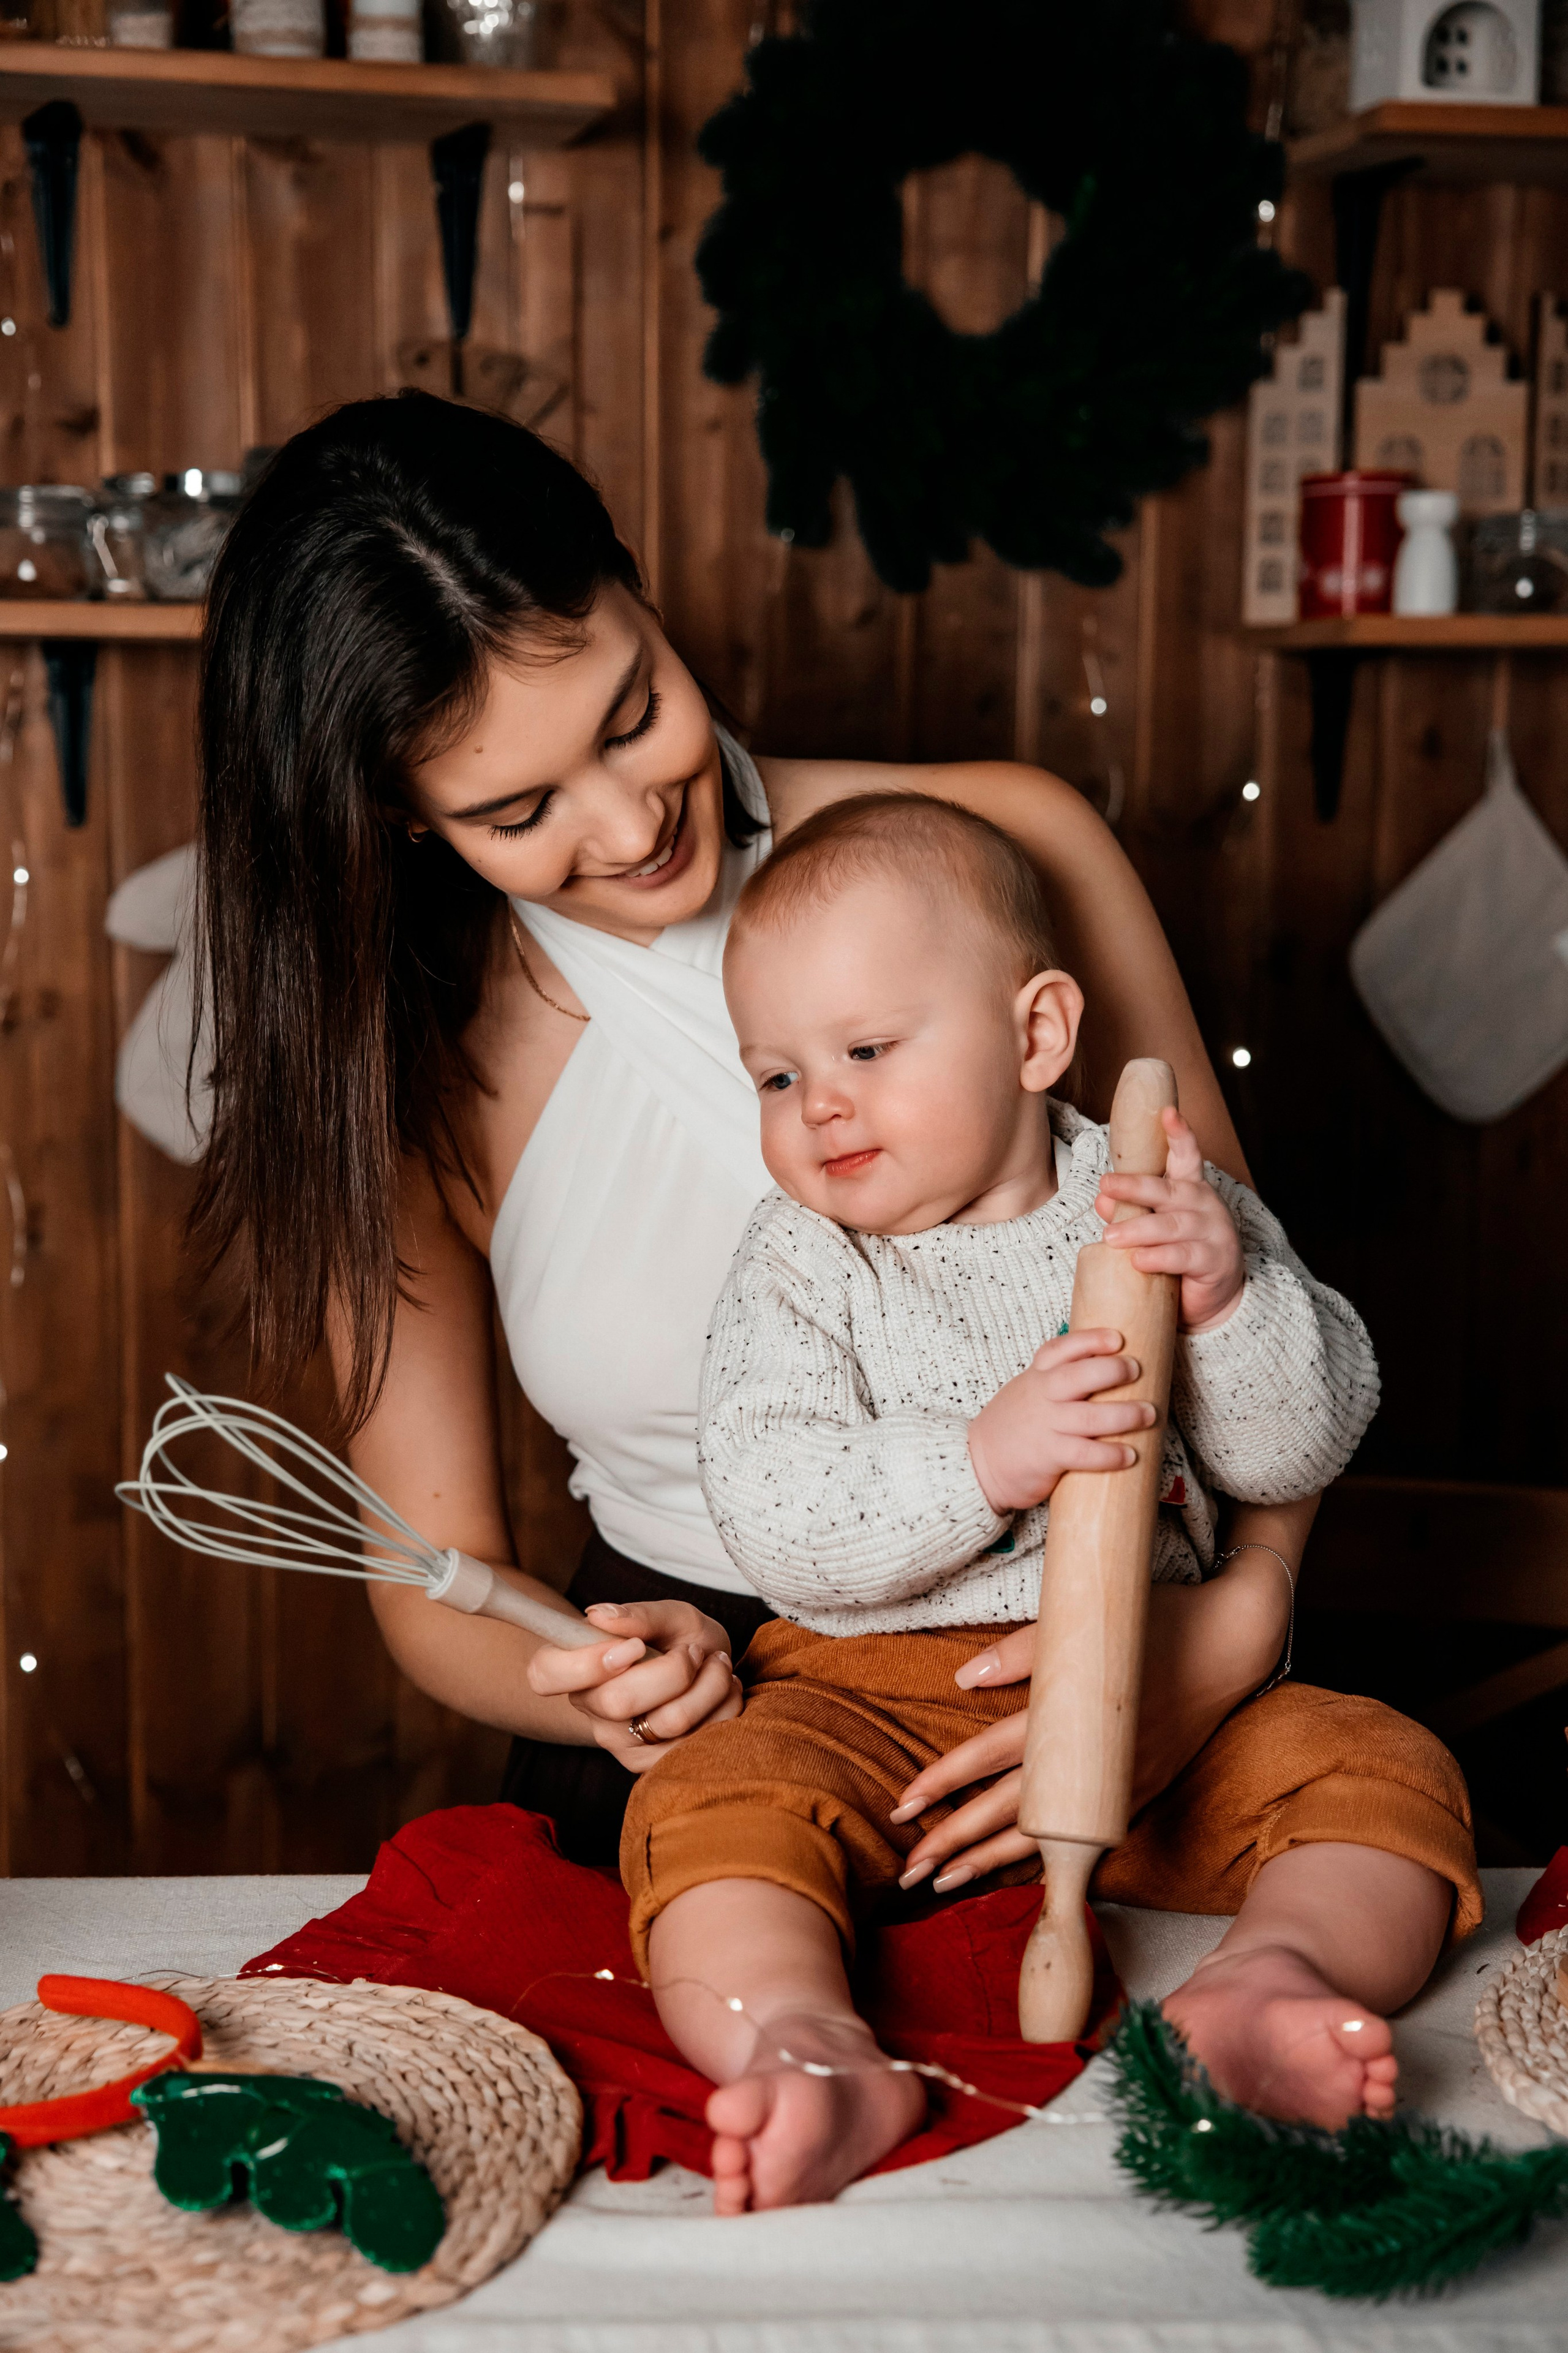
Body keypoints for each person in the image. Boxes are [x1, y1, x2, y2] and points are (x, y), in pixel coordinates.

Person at [195, 389, 1307, 1895]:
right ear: (398, 818)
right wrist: (585, 1682)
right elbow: (429, 1573)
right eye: (520, 807)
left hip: (1118, 1624)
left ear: (640, 590)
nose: (630, 821)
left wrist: (1223, 1633)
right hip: (709, 1729)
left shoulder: (1009, 845)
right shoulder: (403, 1073)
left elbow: (1252, 1309)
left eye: (632, 710)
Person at [626, 792, 1477, 2215]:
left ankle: (1268, 1984)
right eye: (772, 1077)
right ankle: (803, 2036)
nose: (817, 1102)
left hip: (1160, 1690)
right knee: (705, 1800)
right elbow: (770, 1508)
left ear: (1034, 1036)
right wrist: (977, 1461)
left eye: (865, 1051)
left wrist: (1227, 1302)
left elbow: (1299, 1446)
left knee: (1382, 1769)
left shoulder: (1155, 1203)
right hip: (871, 1698)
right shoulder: (799, 1263)